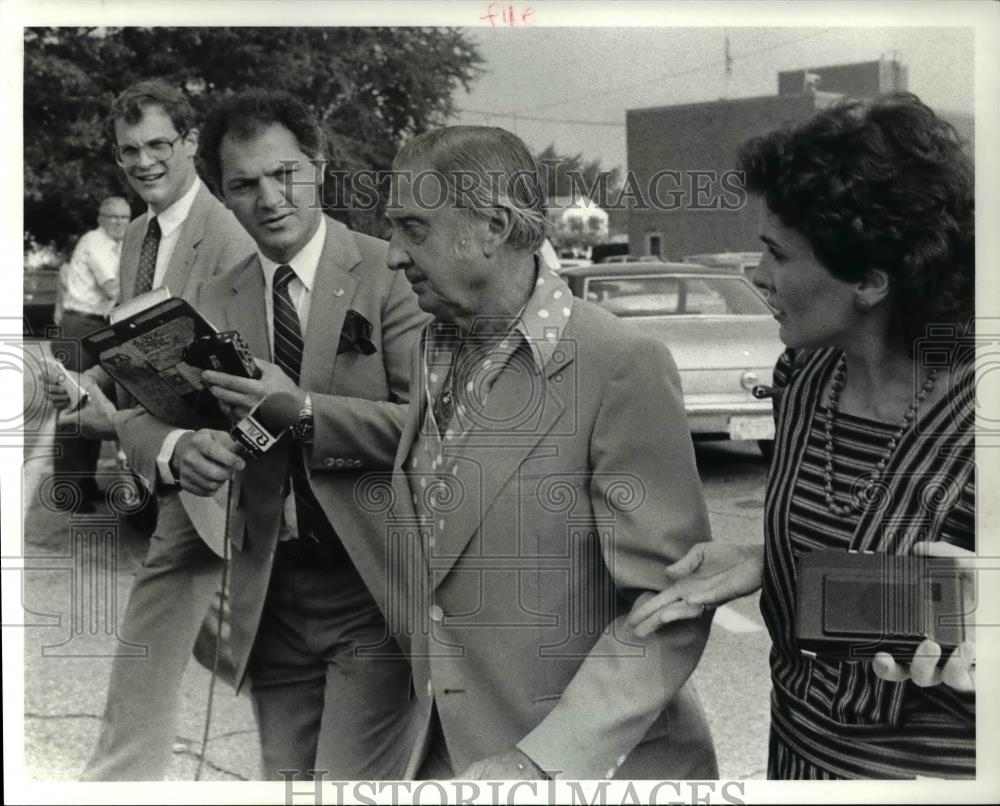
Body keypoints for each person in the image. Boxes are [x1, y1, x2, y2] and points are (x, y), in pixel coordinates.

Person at [629, 92, 976, 780]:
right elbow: (868, 526)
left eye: (777, 254)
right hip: (797, 761)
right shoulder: (804, 376)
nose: (758, 276)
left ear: (871, 280)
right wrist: (773, 555)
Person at [384, 125, 718, 780]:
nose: (393, 254)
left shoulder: (620, 363)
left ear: (493, 226)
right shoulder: (435, 346)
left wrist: (542, 763)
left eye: (413, 228)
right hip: (452, 755)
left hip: (590, 771)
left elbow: (669, 608)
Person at [114, 89, 427, 779]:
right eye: (244, 185)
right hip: (270, 605)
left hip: (371, 593)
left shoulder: (392, 274)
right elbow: (139, 416)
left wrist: (304, 409)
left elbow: (429, 433)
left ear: (318, 166)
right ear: (220, 194)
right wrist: (176, 450)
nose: (269, 199)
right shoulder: (215, 299)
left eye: (285, 175)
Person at [62, 79, 256, 780]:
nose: (144, 163)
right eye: (129, 152)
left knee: (149, 637)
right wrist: (95, 389)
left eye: (157, 146)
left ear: (188, 141)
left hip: (216, 469)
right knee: (232, 642)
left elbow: (245, 372)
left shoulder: (230, 232)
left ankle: (113, 782)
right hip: (165, 460)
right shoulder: (140, 231)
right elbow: (133, 335)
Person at [51, 196, 130, 511]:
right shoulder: (95, 242)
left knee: (95, 403)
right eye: (112, 218)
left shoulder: (117, 245)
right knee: (73, 406)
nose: (119, 224)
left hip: (98, 327)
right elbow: (115, 289)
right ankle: (68, 492)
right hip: (80, 326)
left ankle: (86, 483)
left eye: (124, 218)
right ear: (101, 217)